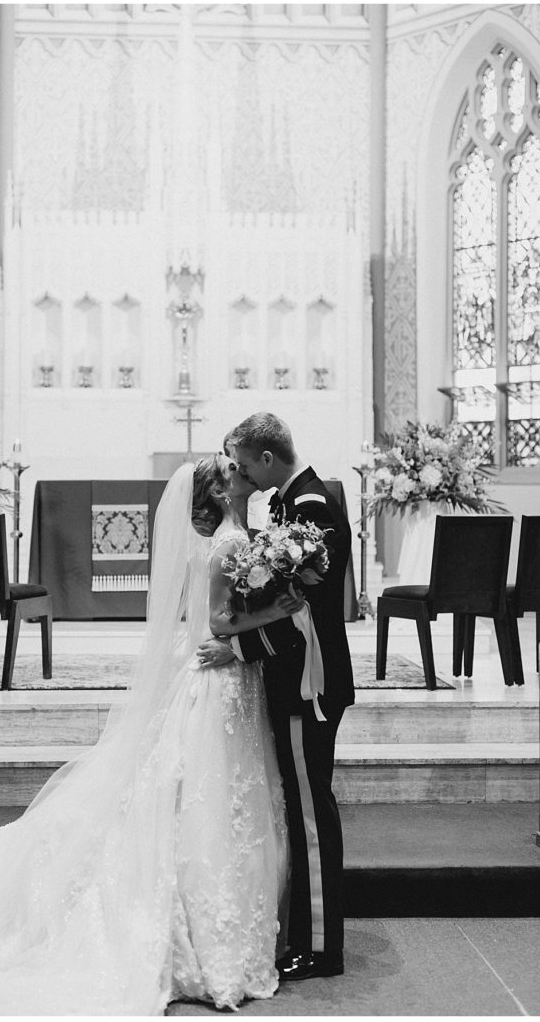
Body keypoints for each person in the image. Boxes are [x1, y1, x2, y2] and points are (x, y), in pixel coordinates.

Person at [0, 455, 301, 1016]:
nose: (244, 475)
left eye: (241, 469)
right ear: (220, 494)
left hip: (222, 675)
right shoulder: (228, 543)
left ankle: (222, 915)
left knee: (212, 792)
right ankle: (209, 926)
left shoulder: (231, 538)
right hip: (217, 674)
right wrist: (277, 611)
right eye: (234, 473)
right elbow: (218, 622)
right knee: (212, 794)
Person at [197, 413, 354, 981]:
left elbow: (301, 615)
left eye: (241, 461)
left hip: (307, 684)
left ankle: (320, 949)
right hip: (298, 680)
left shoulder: (308, 508)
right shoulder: (295, 505)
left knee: (311, 810)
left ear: (267, 459)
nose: (237, 471)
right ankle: (308, 938)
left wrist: (237, 651)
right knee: (300, 802)